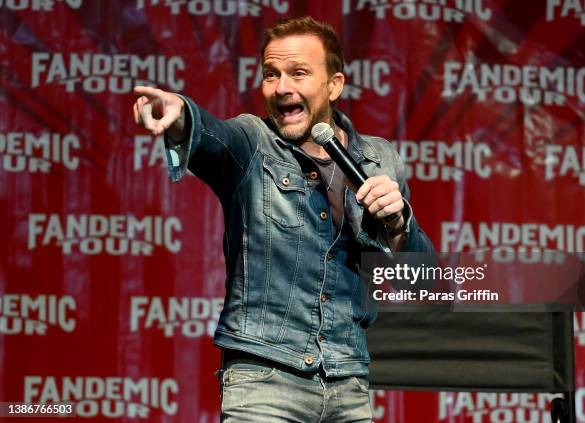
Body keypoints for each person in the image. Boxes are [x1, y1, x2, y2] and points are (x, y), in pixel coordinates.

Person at [133, 15, 434, 423]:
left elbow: (422, 281)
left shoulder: (379, 159)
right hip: (264, 382)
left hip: (349, 382)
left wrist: (399, 225)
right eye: (271, 74)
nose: (281, 88)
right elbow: (211, 136)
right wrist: (179, 113)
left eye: (298, 73)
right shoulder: (253, 142)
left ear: (335, 84)